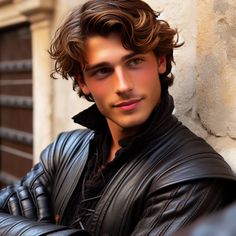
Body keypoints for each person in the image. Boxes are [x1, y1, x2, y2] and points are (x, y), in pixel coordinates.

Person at [0, 0, 235, 235]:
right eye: (103, 71)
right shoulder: (64, 150)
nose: (123, 86)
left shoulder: (192, 178)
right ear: (83, 82)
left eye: (134, 62)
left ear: (161, 61)